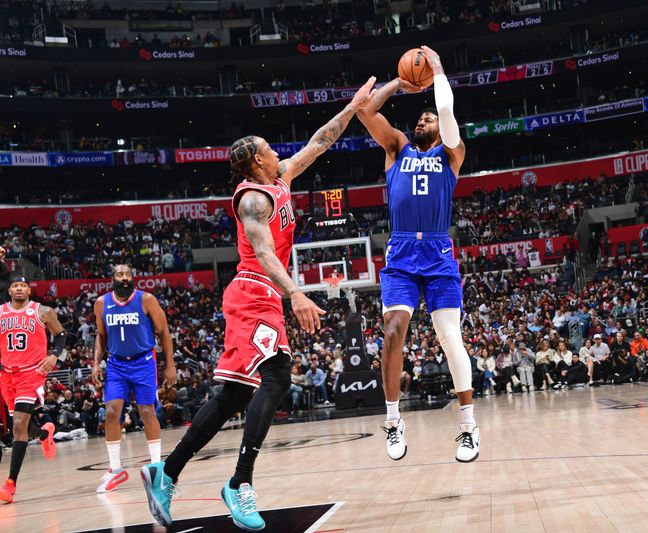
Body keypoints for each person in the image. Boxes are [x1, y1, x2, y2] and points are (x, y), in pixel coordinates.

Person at [140, 76, 377, 530]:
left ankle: (166, 473)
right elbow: (265, 252)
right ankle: (240, 483)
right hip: (253, 292)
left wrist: (353, 107)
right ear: (254, 160)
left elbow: (320, 142)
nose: (276, 151)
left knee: (234, 394)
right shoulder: (252, 198)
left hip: (261, 295)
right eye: (268, 147)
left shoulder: (282, 176)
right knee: (277, 377)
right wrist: (295, 292)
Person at [357, 46, 480, 462]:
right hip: (402, 250)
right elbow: (366, 113)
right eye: (420, 117)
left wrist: (440, 68)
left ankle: (468, 426)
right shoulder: (397, 148)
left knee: (449, 337)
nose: (421, 119)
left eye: (426, 117)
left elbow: (446, 112)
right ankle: (393, 418)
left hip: (439, 251)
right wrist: (399, 83)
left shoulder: (451, 153)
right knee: (393, 331)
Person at [92, 264, 177, 493]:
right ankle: (116, 470)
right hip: (117, 363)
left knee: (147, 411)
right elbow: (100, 337)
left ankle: (157, 466)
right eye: (120, 274)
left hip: (143, 362)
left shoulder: (146, 299)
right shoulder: (101, 303)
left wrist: (170, 365)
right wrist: (95, 364)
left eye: (129, 274)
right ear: (113, 278)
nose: (125, 278)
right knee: (111, 412)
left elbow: (164, 332)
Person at [0, 274, 63, 504]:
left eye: (23, 286)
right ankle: (46, 433)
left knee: (18, 425)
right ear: (9, 291)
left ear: (29, 290)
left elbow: (61, 335)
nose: (19, 289)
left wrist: (55, 355)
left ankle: (10, 484)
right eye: (15, 285)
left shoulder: (43, 311)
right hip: (7, 375)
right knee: (22, 427)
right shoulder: (0, 312)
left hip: (31, 373)